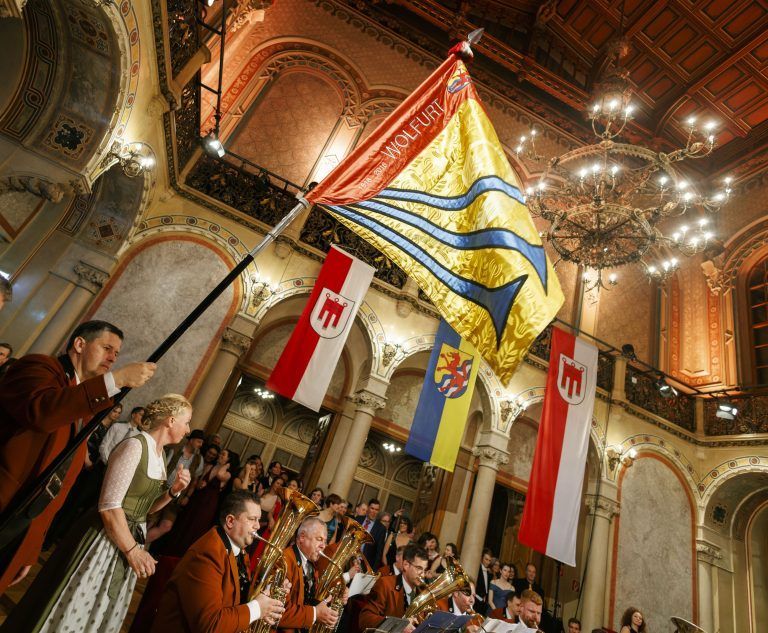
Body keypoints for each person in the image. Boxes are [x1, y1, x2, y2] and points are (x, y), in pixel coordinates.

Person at [0, 394, 193, 632]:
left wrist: (172, 492)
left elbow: (146, 509)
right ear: (171, 421)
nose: (188, 429)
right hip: (104, 538)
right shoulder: (134, 446)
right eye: (186, 422)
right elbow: (110, 505)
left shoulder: (161, 455)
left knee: (99, 612)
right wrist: (132, 551)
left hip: (129, 540)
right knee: (75, 607)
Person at [0, 319, 156, 594]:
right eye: (107, 347)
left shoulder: (80, 394)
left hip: (24, 521)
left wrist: (31, 546)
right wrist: (116, 379)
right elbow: (43, 412)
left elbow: (60, 477)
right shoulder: (39, 367)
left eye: (117, 353)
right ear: (79, 344)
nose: (112, 357)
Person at [151, 490, 287, 633]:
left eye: (258, 520)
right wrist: (258, 608)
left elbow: (239, 597)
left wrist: (267, 592)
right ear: (230, 521)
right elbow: (210, 625)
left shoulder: (240, 550)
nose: (258, 526)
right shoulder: (207, 555)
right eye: (252, 519)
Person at [165, 445, 231, 555]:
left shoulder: (227, 473)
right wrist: (200, 484)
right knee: (186, 522)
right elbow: (198, 481)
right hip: (198, 498)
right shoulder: (209, 466)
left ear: (228, 459)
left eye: (223, 455)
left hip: (209, 504)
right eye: (220, 454)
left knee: (196, 526)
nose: (220, 456)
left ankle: (185, 554)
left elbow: (219, 475)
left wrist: (226, 465)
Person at [277, 516, 340, 632]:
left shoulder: (311, 564)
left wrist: (335, 597)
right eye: (319, 539)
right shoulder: (284, 560)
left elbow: (309, 600)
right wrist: (316, 613)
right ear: (302, 537)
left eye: (325, 541)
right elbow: (277, 611)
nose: (323, 546)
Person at [145, 429, 206, 545]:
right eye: (199, 442)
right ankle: (136, 544)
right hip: (162, 490)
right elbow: (162, 467)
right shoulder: (175, 449)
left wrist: (188, 496)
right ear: (191, 440)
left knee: (167, 526)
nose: (200, 445)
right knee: (150, 520)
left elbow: (194, 481)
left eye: (202, 443)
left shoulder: (199, 459)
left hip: (178, 497)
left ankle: (142, 543)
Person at [358, 543, 428, 633]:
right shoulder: (385, 584)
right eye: (419, 568)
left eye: (424, 570)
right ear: (406, 565)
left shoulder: (423, 592)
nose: (422, 575)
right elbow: (365, 619)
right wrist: (399, 626)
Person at [356, 498, 386, 570]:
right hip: (351, 557)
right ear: (368, 508)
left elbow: (379, 552)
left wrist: (374, 571)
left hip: (365, 564)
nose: (374, 511)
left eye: (376, 509)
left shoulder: (381, 529)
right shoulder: (358, 519)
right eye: (372, 508)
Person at [475, 548, 494, 615]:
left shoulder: (489, 573)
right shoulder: (477, 569)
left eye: (489, 560)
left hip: (484, 605)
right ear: (482, 558)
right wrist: (479, 598)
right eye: (486, 559)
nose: (488, 562)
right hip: (475, 602)